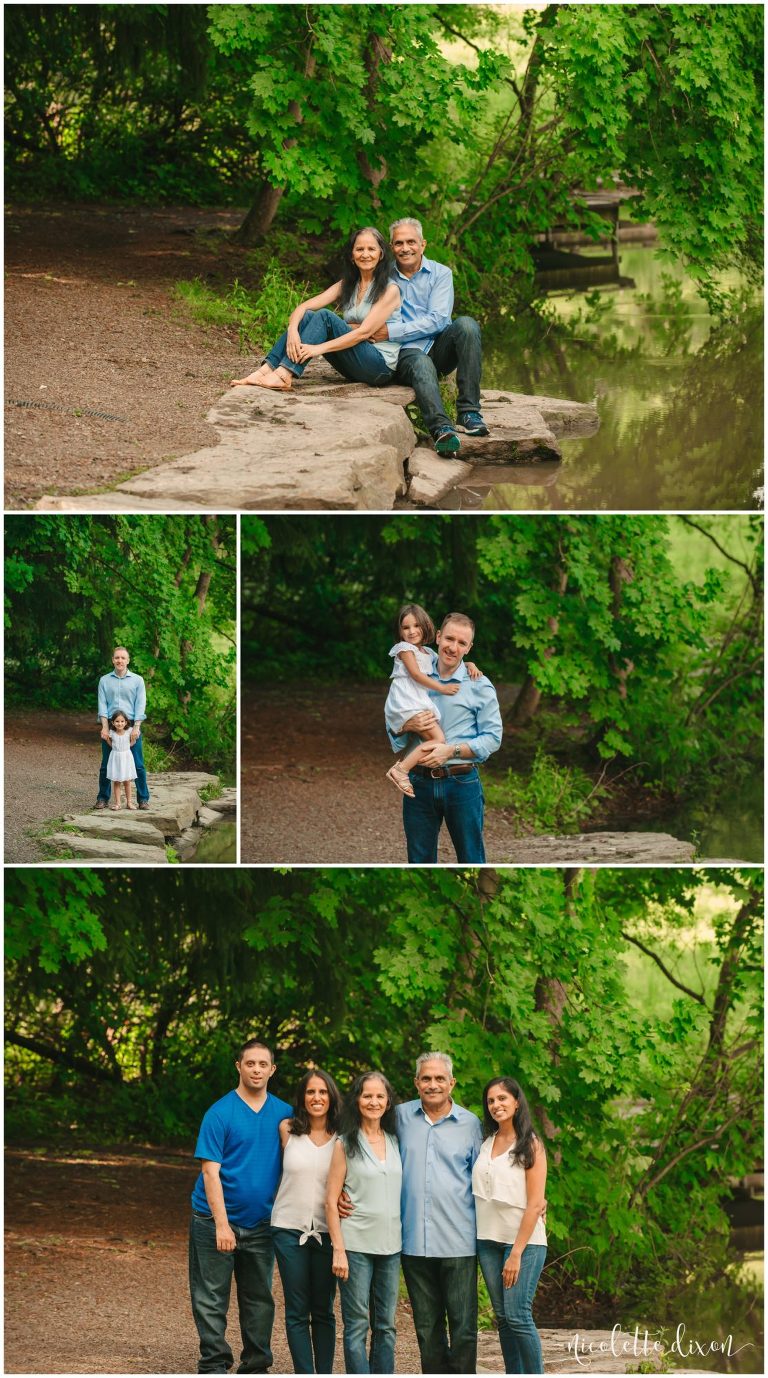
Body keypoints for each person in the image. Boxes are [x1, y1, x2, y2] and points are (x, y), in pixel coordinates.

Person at [189, 1039, 292, 1374]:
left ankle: (256, 1365)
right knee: (211, 1298)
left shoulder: (284, 1114)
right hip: (213, 1219)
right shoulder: (220, 1113)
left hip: (261, 1221)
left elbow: (306, 1161)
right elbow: (209, 1171)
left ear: (272, 1069)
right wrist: (222, 1224)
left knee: (259, 1299)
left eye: (263, 1064)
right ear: (239, 1066)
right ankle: (215, 1364)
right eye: (250, 1064)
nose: (257, 1070)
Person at [367, 217, 489, 456]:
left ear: (423, 245)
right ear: (392, 247)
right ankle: (442, 430)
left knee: (467, 325)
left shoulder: (441, 274)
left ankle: (469, 412)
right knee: (421, 362)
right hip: (405, 352)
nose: (405, 248)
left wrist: (391, 331)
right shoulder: (382, 277)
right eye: (399, 243)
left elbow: (440, 320)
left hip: (438, 347)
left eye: (411, 242)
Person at [387, 613, 502, 863]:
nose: (453, 647)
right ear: (438, 637)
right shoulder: (416, 673)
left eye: (462, 643)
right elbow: (392, 724)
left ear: (469, 648)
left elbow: (493, 738)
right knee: (419, 862)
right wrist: (406, 725)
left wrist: (452, 751)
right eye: (449, 638)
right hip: (418, 782)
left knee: (472, 858)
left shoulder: (479, 685)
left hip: (461, 783)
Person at [396, 1052, 483, 1375]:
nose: (433, 1085)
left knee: (463, 1328)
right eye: (426, 1078)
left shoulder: (471, 1124)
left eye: (439, 1079)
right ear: (416, 1082)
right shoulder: (399, 1118)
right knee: (426, 1328)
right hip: (414, 1242)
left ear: (452, 1083)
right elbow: (369, 1152)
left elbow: (486, 1176)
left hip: (459, 1241)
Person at [230, 227, 402, 391]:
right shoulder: (348, 284)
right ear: (352, 255)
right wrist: (292, 331)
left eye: (371, 249)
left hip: (379, 366)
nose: (365, 254)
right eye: (359, 249)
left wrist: (318, 348)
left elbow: (363, 333)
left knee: (325, 317)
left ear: (381, 254)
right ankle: (264, 371)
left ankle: (284, 375)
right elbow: (303, 307)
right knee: (307, 316)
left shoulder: (390, 290)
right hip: (355, 362)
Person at [325, 1072, 402, 1375]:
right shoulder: (344, 1144)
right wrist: (338, 1250)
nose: (373, 1102)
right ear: (357, 1100)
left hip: (392, 1246)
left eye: (380, 1096)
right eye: (367, 1095)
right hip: (355, 1245)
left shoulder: (396, 1141)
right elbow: (331, 1200)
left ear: (388, 1101)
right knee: (356, 1325)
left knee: (386, 1326)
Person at [473, 1078, 548, 1375]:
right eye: (491, 1100)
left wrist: (516, 1253)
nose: (496, 1105)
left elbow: (534, 1203)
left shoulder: (530, 1144)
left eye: (502, 1098)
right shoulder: (485, 1142)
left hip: (524, 1243)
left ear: (517, 1102)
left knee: (518, 1315)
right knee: (503, 1318)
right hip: (487, 1241)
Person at [272, 1069, 343, 1374]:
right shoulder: (288, 1129)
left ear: (332, 1096)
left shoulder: (344, 1136)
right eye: (311, 1092)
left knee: (324, 1310)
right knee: (297, 1310)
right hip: (288, 1228)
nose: (317, 1098)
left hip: (328, 1232)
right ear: (302, 1097)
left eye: (323, 1092)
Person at [385, 602, 483, 797]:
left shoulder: (428, 652)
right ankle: (401, 770)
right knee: (439, 739)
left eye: (416, 626)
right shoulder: (404, 649)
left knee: (435, 739)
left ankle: (408, 769)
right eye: (406, 627)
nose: (412, 631)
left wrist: (469, 664)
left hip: (416, 699)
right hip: (407, 700)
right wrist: (442, 688)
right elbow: (416, 675)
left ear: (425, 626)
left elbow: (449, 660)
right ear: (400, 631)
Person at [95, 646, 150, 810]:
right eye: (117, 657)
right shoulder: (104, 680)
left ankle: (143, 799)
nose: (120, 660)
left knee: (138, 764)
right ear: (113, 660)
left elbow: (140, 704)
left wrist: (136, 727)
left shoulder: (137, 680)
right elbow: (102, 705)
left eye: (123, 658)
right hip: (111, 726)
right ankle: (103, 798)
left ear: (128, 660)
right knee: (106, 764)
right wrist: (105, 727)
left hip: (131, 726)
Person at [105, 710, 137, 810]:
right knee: (117, 781)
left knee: (127, 781)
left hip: (126, 757)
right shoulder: (112, 732)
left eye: (122, 721)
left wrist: (132, 741)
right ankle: (118, 803)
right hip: (115, 757)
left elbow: (131, 743)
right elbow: (112, 744)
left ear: (126, 722)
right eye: (117, 721)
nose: (120, 723)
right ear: (113, 723)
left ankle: (129, 802)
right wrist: (107, 740)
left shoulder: (129, 731)